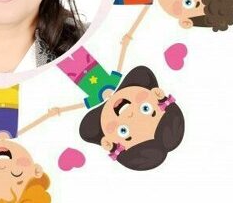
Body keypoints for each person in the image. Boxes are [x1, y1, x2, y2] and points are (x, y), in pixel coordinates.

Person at [51, 46, 185, 170]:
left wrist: (59, 110)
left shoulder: (93, 100)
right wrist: (125, 43)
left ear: (108, 142)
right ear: (157, 94)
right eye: (145, 108)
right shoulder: (115, 80)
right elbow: (120, 61)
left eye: (123, 131)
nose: (130, 115)